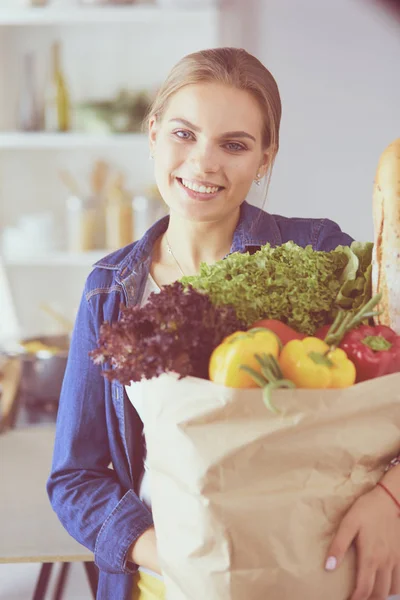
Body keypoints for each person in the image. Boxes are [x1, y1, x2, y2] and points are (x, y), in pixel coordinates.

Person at [47, 47, 400, 600]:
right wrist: (183, 560)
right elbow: (75, 478)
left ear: (265, 158)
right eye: (184, 135)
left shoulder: (317, 252)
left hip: (308, 572)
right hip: (164, 587)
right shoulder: (110, 290)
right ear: (154, 134)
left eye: (234, 145)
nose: (204, 164)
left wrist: (391, 499)